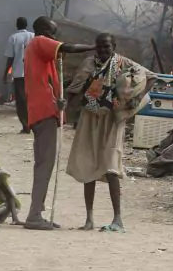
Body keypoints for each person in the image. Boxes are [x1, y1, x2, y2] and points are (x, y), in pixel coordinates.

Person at [66, 33, 156, 232]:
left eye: (107, 47)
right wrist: (66, 106)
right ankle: (89, 219)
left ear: (113, 47)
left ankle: (118, 219)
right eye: (100, 47)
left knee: (111, 166)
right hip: (89, 117)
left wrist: (137, 97)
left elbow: (151, 77)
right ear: (95, 48)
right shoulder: (88, 63)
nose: (103, 50)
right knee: (88, 164)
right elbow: (75, 88)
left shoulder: (124, 63)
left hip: (113, 119)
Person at [23, 16, 95, 231]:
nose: (55, 38)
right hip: (43, 112)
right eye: (53, 33)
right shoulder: (39, 42)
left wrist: (58, 100)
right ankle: (34, 215)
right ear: (44, 31)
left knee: (45, 164)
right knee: (44, 165)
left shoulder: (42, 55)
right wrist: (93, 46)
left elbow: (47, 84)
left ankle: (37, 212)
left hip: (47, 110)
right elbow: (69, 47)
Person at [3, 17, 34, 134]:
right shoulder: (34, 36)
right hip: (32, 73)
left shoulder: (13, 37)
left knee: (21, 101)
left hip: (19, 74)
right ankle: (32, 124)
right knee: (31, 99)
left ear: (17, 25)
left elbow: (10, 58)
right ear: (27, 25)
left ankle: (26, 125)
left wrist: (5, 73)